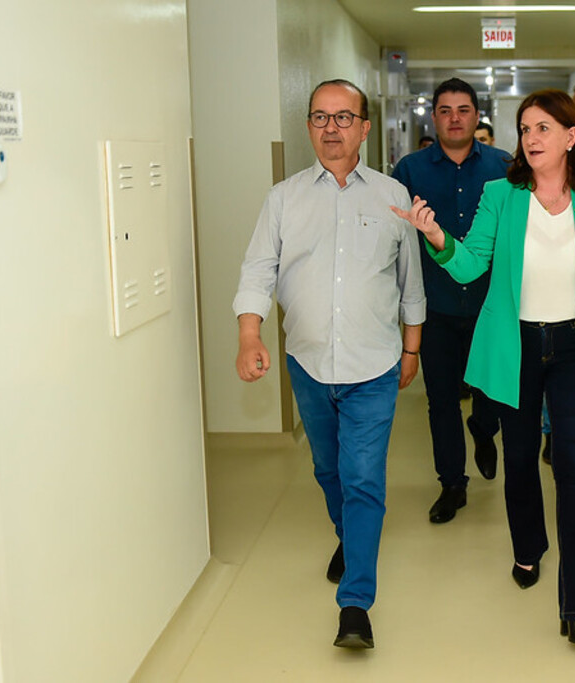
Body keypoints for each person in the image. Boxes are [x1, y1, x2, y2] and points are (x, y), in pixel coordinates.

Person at [393, 89, 575, 649]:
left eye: (542, 128)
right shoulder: (501, 196)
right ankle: (528, 548)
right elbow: (469, 265)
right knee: (519, 463)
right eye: (525, 129)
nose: (531, 138)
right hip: (517, 348)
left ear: (570, 136)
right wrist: (435, 235)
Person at [233, 79, 425, 649]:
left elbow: (410, 287)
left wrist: (411, 349)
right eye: (320, 117)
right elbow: (256, 272)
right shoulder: (283, 198)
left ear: (365, 128)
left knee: (363, 479)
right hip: (308, 365)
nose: (331, 128)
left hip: (374, 367)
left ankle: (356, 604)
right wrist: (249, 335)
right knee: (329, 472)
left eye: (344, 118)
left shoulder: (393, 197)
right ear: (309, 127)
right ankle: (351, 535)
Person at [393, 78, 509, 523]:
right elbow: (398, 237)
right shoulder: (410, 170)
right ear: (434, 116)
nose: (455, 118)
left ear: (476, 115)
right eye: (445, 110)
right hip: (435, 305)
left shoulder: (503, 166)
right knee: (440, 400)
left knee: (491, 392)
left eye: (463, 109)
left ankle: (483, 428)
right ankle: (452, 485)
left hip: (491, 306)